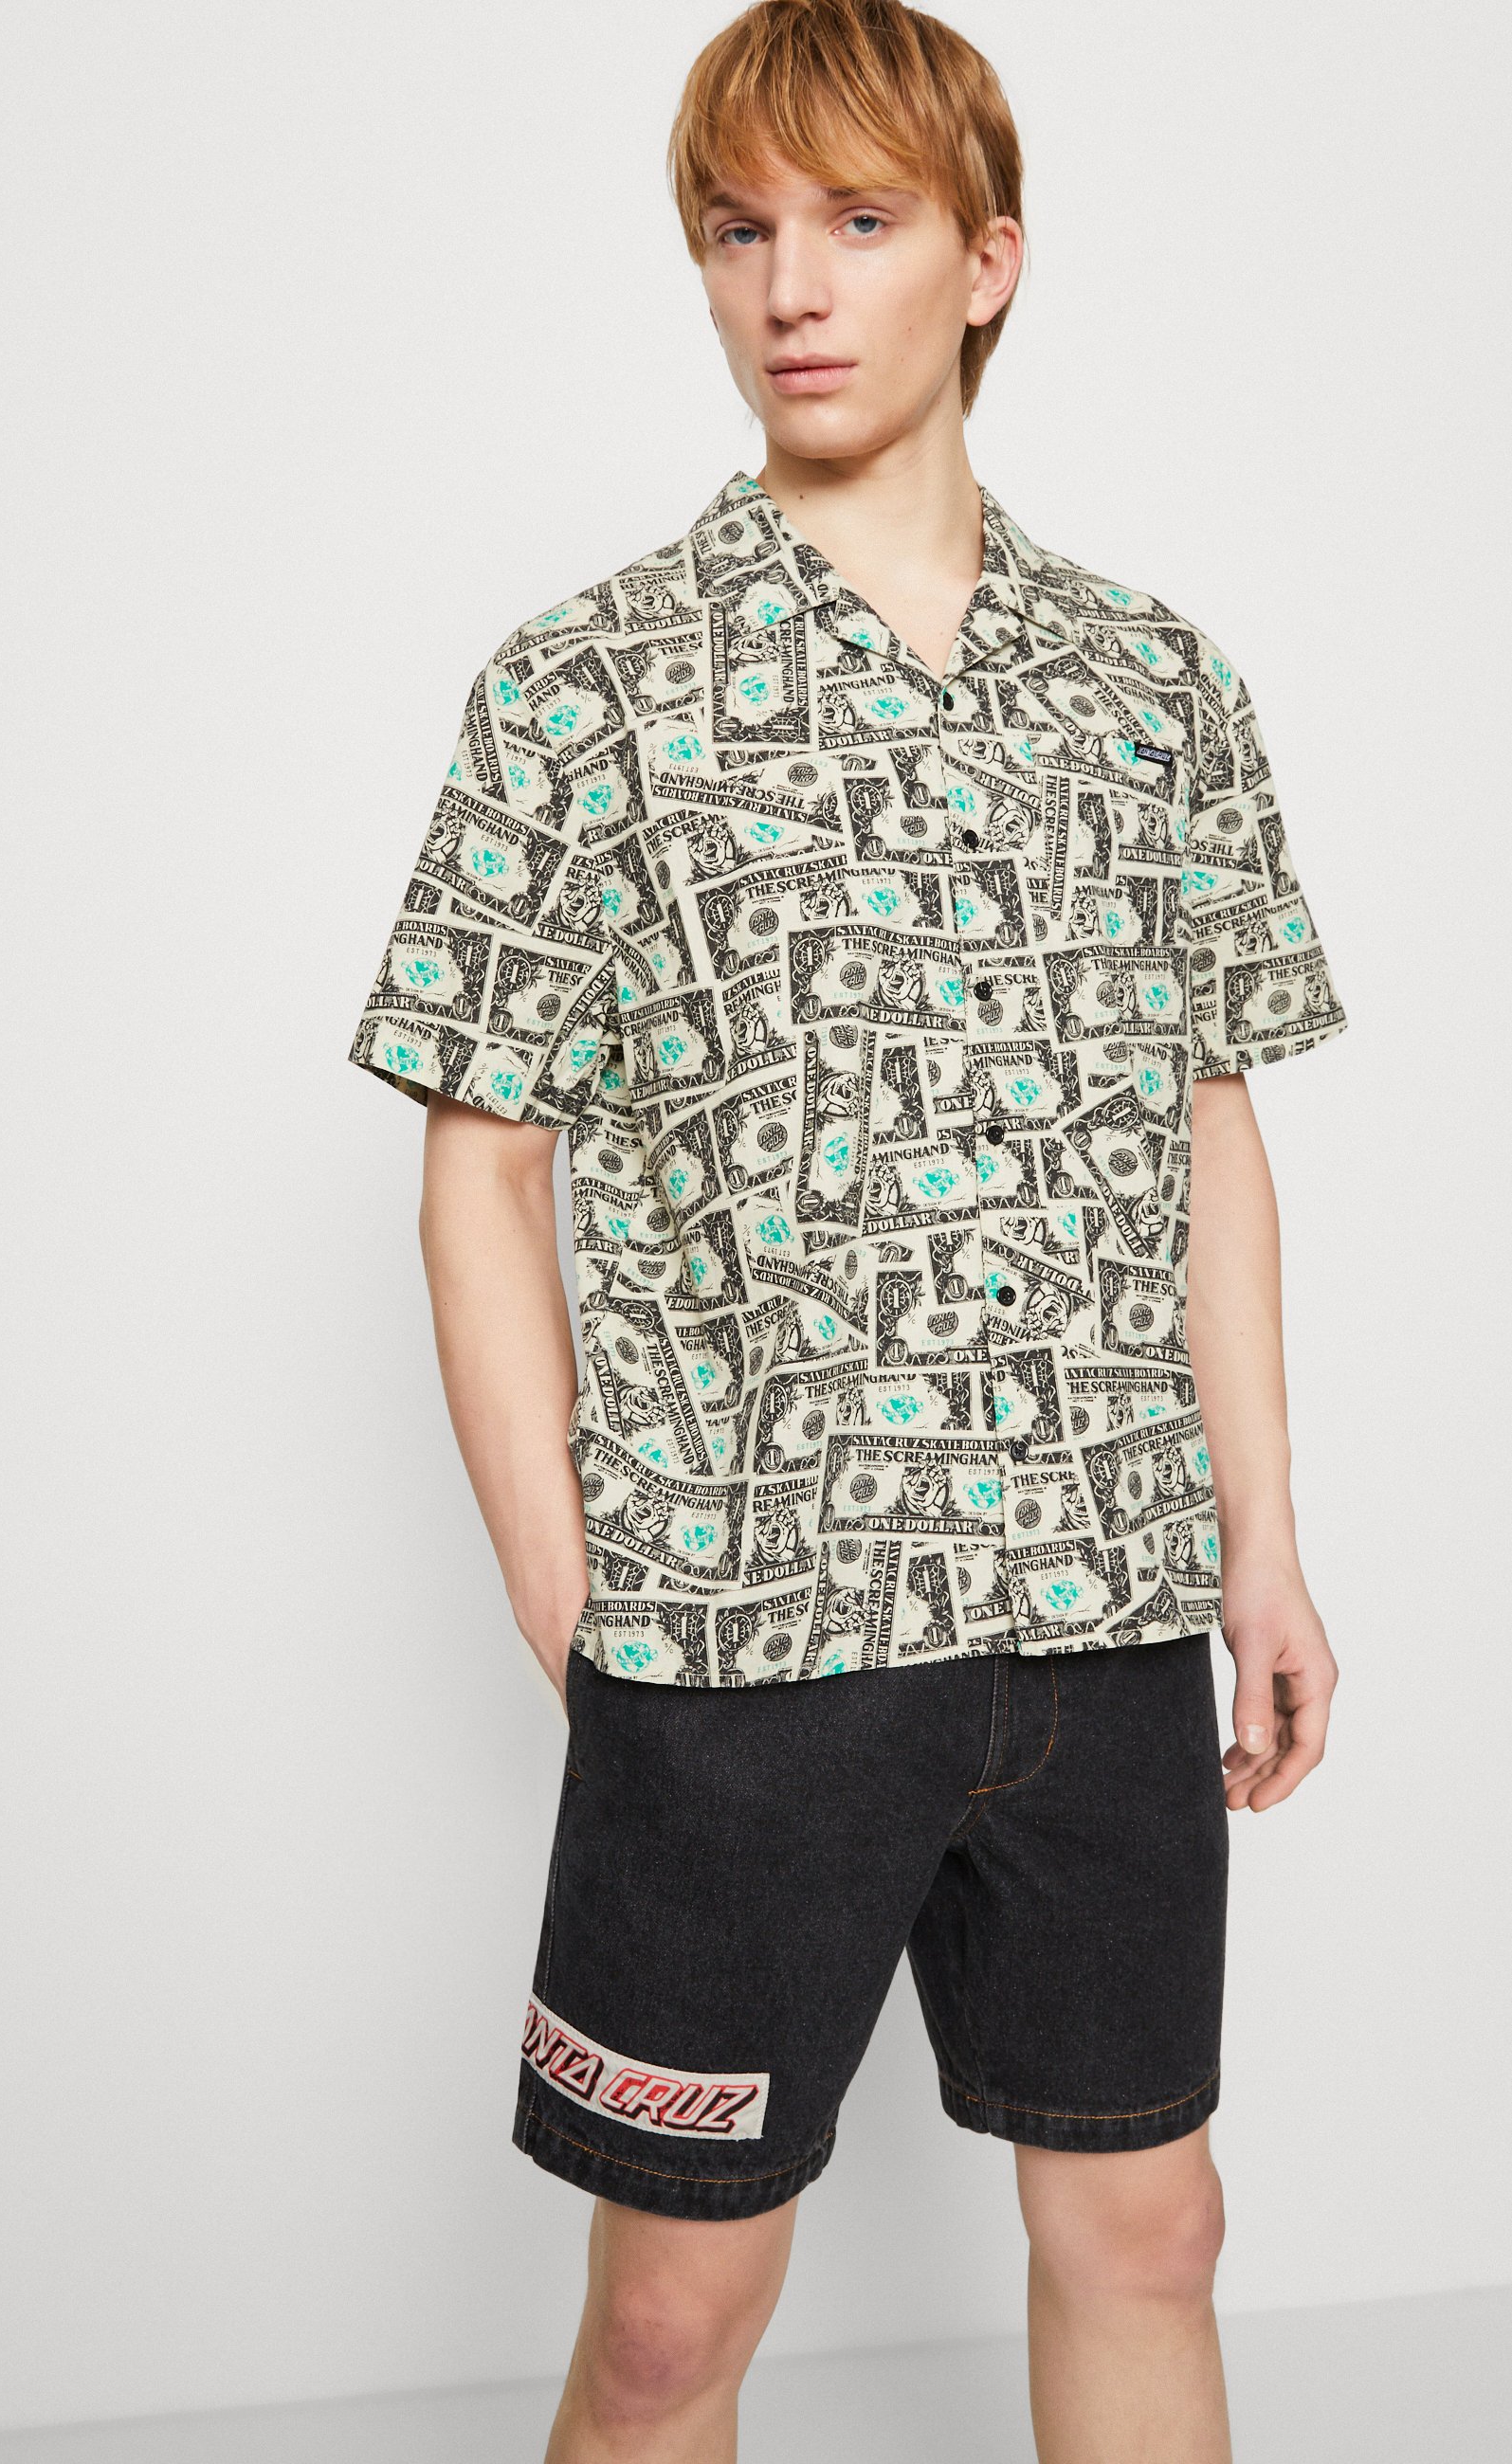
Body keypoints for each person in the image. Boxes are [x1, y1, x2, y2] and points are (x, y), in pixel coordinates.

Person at [347, 4, 1347, 2455]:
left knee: (1153, 2231)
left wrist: (1263, 1548)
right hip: (746, 1641)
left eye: (860, 221)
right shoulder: (587, 688)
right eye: (737, 228)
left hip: (1106, 1609)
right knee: (669, 2326)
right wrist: (572, 1601)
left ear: (986, 263)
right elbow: (481, 1160)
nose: (789, 286)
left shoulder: (1153, 688)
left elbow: (1206, 1127)